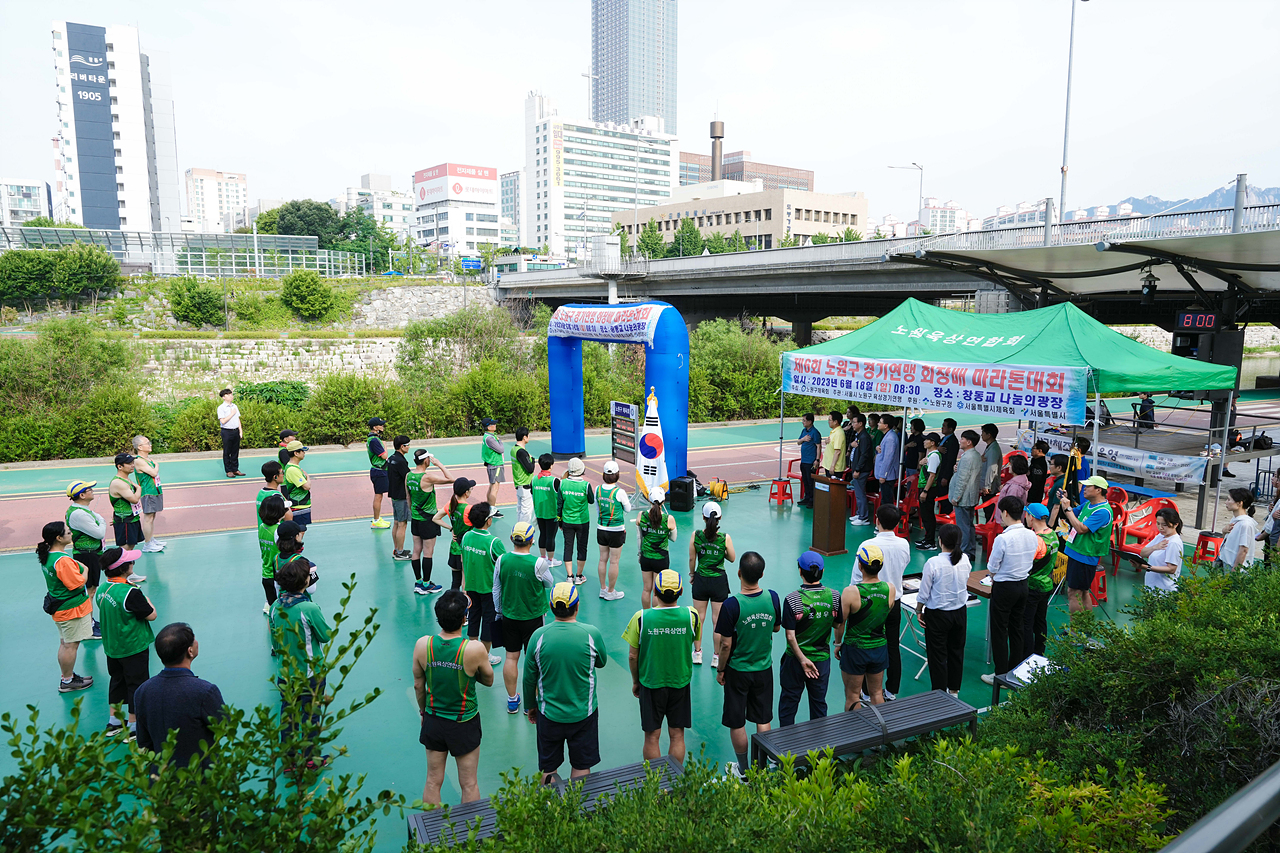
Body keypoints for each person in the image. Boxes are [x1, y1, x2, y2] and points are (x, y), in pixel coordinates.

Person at [413, 589, 495, 805]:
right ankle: (471, 828)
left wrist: (423, 712)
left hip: (434, 719)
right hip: (464, 722)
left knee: (432, 781)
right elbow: (489, 680)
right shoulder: (474, 649)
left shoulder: (423, 645)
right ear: (464, 618)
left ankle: (430, 828)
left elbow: (418, 685)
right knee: (469, 784)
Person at [524, 582, 608, 784]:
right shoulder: (591, 633)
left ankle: (550, 802)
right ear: (577, 606)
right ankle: (577, 803)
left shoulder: (538, 636)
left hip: (548, 715)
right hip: (583, 713)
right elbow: (601, 662)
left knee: (548, 768)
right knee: (581, 765)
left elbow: (529, 677)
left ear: (551, 607)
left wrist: (531, 706)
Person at [715, 551, 781, 780]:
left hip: (738, 671)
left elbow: (725, 644)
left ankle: (743, 770)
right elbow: (776, 627)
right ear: (761, 574)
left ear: (739, 573)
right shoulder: (772, 598)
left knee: (737, 721)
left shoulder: (731, 605)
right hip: (764, 668)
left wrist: (721, 670)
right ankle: (763, 766)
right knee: (763, 719)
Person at [623, 569, 700, 763]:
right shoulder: (691, 615)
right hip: (680, 682)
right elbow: (691, 641)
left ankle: (656, 780)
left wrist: (636, 681)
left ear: (655, 592)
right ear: (681, 591)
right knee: (677, 734)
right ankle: (675, 777)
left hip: (651, 683)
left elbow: (633, 656)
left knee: (651, 736)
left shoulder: (641, 617)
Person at [268, 557, 332, 772]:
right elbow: (325, 636)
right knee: (311, 715)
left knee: (288, 714)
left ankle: (289, 760)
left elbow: (275, 641)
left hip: (285, 674)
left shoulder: (275, 607)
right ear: (305, 582)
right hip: (310, 673)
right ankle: (310, 758)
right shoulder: (309, 608)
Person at [134, 623, 226, 770]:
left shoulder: (142, 691)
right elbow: (225, 727)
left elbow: (144, 741)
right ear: (190, 651)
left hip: (162, 775)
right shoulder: (205, 691)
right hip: (200, 775)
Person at [493, 521, 555, 714]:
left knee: (511, 657)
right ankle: (532, 703)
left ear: (512, 539)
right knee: (533, 660)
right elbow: (549, 583)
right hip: (533, 618)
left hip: (509, 616)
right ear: (532, 540)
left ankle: (512, 700)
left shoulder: (501, 560)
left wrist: (499, 611)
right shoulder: (538, 563)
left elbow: (496, 589)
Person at [96, 546, 157, 739]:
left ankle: (114, 722)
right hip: (133, 647)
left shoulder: (102, 589)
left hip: (112, 648)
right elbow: (152, 615)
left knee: (116, 681)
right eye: (131, 561)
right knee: (136, 685)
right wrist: (147, 599)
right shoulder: (130, 592)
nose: (133, 563)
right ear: (124, 568)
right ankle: (134, 725)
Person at [778, 551, 842, 727]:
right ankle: (819, 743)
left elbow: (790, 636)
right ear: (822, 571)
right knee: (818, 704)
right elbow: (837, 624)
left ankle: (785, 743)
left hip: (794, 661)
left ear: (800, 571)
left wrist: (802, 660)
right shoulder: (834, 596)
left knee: (788, 704)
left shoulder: (792, 599)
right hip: (820, 661)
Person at [836, 542, 895, 712]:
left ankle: (855, 729)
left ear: (860, 566)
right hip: (879, 648)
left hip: (855, 650)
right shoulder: (890, 589)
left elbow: (840, 623)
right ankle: (882, 728)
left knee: (853, 696)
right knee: (877, 693)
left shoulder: (850, 592)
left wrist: (838, 644)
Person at [981, 496, 1035, 683]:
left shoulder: (1003, 538)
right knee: (1017, 628)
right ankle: (1015, 672)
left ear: (1005, 513)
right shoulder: (1031, 535)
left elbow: (992, 567)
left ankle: (1001, 675)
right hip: (1023, 585)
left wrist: (994, 575)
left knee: (999, 631)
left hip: (1004, 587)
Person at [38, 521, 95, 693]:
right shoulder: (62, 561)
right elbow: (78, 584)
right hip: (71, 609)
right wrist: (85, 570)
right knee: (71, 645)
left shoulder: (49, 555)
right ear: (58, 537)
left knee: (65, 644)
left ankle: (67, 677)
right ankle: (68, 681)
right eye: (68, 532)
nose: (71, 534)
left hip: (60, 608)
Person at [916, 523, 970, 696]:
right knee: (956, 652)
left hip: (938, 616)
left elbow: (924, 593)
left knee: (937, 656)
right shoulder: (965, 559)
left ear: (940, 541)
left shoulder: (933, 563)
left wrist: (918, 610)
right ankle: (954, 691)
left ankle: (939, 695)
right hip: (959, 612)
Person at [866, 504, 909, 700]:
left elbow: (857, 578)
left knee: (868, 644)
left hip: (870, 604)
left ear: (877, 521)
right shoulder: (904, 544)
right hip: (894, 601)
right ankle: (891, 691)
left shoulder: (868, 545)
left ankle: (866, 692)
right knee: (892, 645)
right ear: (897, 524)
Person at [689, 501, 736, 666]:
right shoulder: (725, 538)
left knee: (698, 619)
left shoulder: (696, 535)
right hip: (719, 582)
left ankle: (697, 653)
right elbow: (732, 558)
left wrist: (692, 574)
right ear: (719, 518)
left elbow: (692, 559)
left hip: (701, 580)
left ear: (703, 517)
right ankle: (716, 656)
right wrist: (720, 551)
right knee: (717, 621)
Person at [1059, 475, 1114, 616]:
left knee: (1074, 592)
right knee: (1082, 592)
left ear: (1098, 490)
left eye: (1088, 486)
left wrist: (1068, 509)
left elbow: (1081, 529)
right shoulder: (1088, 504)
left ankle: (1076, 628)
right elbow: (1071, 514)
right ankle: (1084, 626)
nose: (1084, 489)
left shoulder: (1102, 511)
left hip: (1085, 556)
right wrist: (1064, 501)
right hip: (1076, 552)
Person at [460, 502, 506, 666]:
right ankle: (483, 656)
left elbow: (463, 560)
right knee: (489, 622)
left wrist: (464, 585)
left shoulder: (466, 536)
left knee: (473, 619)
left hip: (471, 587)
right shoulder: (494, 542)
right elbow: (505, 565)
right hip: (489, 590)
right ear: (488, 521)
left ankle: (473, 652)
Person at [406, 449, 454, 595]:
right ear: (426, 460)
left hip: (415, 518)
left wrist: (413, 513)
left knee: (416, 550)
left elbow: (408, 497)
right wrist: (439, 464)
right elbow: (451, 478)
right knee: (428, 552)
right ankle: (426, 585)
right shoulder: (427, 477)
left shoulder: (408, 475)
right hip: (428, 519)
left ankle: (418, 582)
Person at [66, 480, 108, 639]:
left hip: (90, 553)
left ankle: (89, 621)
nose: (92, 491)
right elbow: (99, 532)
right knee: (89, 592)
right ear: (82, 495)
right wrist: (102, 522)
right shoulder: (79, 514)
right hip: (87, 555)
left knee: (91, 590)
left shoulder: (83, 510)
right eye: (89, 489)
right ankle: (87, 627)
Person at [1022, 503, 1058, 661]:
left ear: (1031, 517)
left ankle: (1026, 657)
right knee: (1040, 621)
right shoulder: (1052, 534)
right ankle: (1039, 653)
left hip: (1033, 586)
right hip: (1047, 584)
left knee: (1026, 623)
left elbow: (1026, 563)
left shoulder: (1036, 540)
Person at [595, 460, 633, 600]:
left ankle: (602, 589)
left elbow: (598, 509)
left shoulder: (597, 489)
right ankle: (611, 592)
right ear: (617, 475)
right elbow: (628, 509)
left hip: (601, 528)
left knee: (602, 559)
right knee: (614, 561)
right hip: (616, 530)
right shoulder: (619, 492)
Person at [636, 486, 677, 609]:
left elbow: (639, 537)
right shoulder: (668, 519)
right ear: (663, 501)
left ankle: (646, 614)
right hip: (661, 559)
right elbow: (673, 538)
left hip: (646, 557)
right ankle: (655, 614)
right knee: (656, 590)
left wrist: (640, 554)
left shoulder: (641, 515)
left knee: (646, 589)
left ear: (649, 500)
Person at [434, 477, 477, 591]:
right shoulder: (469, 509)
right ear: (466, 493)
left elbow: (435, 518)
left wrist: (451, 528)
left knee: (455, 581)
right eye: (470, 489)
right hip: (466, 548)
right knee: (466, 582)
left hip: (454, 547)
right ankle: (466, 601)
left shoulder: (450, 504)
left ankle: (453, 600)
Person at [948, 431, 983, 562]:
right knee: (969, 525)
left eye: (962, 438)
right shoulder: (975, 455)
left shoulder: (967, 457)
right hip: (971, 496)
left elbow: (962, 479)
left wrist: (956, 497)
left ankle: (963, 552)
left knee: (963, 526)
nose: (960, 440)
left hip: (963, 498)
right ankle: (970, 550)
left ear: (969, 442)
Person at [558, 457, 594, 585]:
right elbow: (591, 500)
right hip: (582, 522)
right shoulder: (586, 485)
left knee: (568, 548)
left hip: (567, 521)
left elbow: (559, 504)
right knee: (582, 548)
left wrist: (559, 521)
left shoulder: (562, 484)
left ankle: (569, 576)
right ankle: (579, 576)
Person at [131, 435, 167, 553]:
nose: (150, 445)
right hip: (148, 492)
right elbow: (153, 473)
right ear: (140, 447)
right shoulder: (139, 461)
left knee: (152, 516)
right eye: (147, 443)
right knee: (148, 518)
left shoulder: (147, 460)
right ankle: (147, 544)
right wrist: (157, 466)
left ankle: (151, 539)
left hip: (155, 491)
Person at [1140, 508, 1184, 590]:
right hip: (1151, 586)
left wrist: (1146, 567)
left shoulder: (1174, 543)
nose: (1160, 528)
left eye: (1164, 525)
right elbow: (1143, 553)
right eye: (1158, 523)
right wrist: (1154, 547)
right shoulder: (1160, 536)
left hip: (1164, 590)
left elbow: (1171, 569)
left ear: (1175, 524)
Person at [258, 494, 289, 612]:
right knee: (281, 610)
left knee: (272, 607)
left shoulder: (262, 527)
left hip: (266, 574)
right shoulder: (278, 531)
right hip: (278, 576)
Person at [531, 453, 562, 566]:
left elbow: (532, 492)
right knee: (551, 537)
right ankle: (550, 560)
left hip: (539, 512)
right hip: (552, 513)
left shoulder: (534, 479)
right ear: (551, 465)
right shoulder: (554, 481)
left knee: (542, 534)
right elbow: (561, 496)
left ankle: (543, 557)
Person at [108, 453, 143, 551]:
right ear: (120, 467)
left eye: (133, 463)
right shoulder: (118, 483)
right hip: (125, 520)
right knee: (126, 548)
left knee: (131, 546)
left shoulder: (126, 479)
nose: (133, 465)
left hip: (132, 518)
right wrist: (139, 488)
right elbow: (134, 499)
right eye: (129, 464)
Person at [915, 432, 943, 551]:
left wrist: (925, 491)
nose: (924, 442)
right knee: (926, 514)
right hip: (925, 487)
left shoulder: (934, 456)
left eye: (926, 440)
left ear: (932, 443)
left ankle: (930, 542)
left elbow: (932, 476)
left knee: (928, 516)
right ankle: (927, 538)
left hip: (928, 489)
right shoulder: (931, 455)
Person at [1221, 488, 1259, 571]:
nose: (1226, 502)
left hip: (1235, 567)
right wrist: (1224, 532)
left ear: (1239, 503)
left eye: (1229, 500)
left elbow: (1244, 549)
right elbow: (1229, 541)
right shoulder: (1235, 520)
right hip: (1227, 562)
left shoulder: (1245, 524)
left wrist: (1235, 570)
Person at [387, 435, 412, 559]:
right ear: (402, 447)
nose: (409, 447)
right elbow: (408, 477)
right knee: (402, 524)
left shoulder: (391, 459)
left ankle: (397, 549)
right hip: (401, 496)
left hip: (394, 495)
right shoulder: (401, 461)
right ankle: (400, 552)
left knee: (397, 522)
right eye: (407, 445)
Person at [847, 414, 874, 526]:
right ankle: (859, 513)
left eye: (854, 422)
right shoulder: (859, 435)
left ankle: (863, 517)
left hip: (861, 470)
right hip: (857, 468)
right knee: (858, 492)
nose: (852, 424)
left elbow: (864, 455)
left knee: (860, 493)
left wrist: (858, 469)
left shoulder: (864, 437)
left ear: (861, 423)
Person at [281, 440, 313, 530]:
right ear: (296, 453)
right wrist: (308, 477)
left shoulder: (294, 467)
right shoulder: (293, 469)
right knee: (299, 531)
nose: (304, 453)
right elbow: (307, 486)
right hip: (299, 506)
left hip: (302, 505)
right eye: (302, 451)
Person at [366, 417, 391, 530]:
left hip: (379, 470)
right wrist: (385, 446)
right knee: (378, 496)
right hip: (379, 471)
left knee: (379, 495)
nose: (382, 426)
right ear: (375, 427)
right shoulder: (374, 440)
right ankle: (376, 520)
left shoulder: (374, 439)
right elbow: (384, 456)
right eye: (380, 425)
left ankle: (377, 519)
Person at [511, 427, 536, 525]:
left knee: (520, 511)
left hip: (518, 484)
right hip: (525, 485)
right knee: (526, 513)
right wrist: (532, 460)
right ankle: (524, 532)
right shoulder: (521, 452)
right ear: (524, 437)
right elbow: (530, 469)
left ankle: (519, 530)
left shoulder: (513, 449)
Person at [216, 388, 244, 478]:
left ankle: (235, 469)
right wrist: (231, 414)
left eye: (231, 394)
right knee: (227, 451)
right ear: (223, 397)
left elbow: (238, 419)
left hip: (235, 431)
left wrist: (240, 430)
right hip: (227, 431)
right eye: (228, 395)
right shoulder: (221, 408)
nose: (231, 396)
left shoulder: (235, 406)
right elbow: (223, 421)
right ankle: (228, 470)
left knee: (235, 451)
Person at [795, 413, 821, 507]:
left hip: (810, 461)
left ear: (810, 422)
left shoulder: (815, 432)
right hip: (804, 460)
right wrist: (803, 439)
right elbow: (798, 442)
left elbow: (818, 446)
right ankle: (807, 497)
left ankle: (812, 499)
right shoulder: (804, 431)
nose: (803, 422)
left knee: (811, 481)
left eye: (804, 420)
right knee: (805, 480)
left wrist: (817, 460)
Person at [874, 414, 900, 505]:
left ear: (885, 425)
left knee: (886, 500)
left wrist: (883, 475)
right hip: (886, 475)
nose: (878, 424)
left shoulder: (890, 438)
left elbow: (888, 458)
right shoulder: (888, 435)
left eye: (880, 422)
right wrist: (877, 448)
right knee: (885, 498)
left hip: (887, 475)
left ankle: (887, 514)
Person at [979, 424, 1003, 519]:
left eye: (983, 433)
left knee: (989, 511)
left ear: (989, 435)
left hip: (989, 487)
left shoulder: (993, 450)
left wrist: (987, 486)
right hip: (986, 484)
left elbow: (991, 469)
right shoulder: (990, 447)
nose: (981, 435)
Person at [480, 417, 505, 508]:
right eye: (493, 424)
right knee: (494, 488)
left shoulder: (489, 436)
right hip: (495, 464)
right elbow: (501, 449)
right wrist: (500, 441)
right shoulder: (490, 438)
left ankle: (489, 507)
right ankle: (492, 509)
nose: (495, 425)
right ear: (488, 427)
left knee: (492, 486)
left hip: (493, 464)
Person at [937, 418, 960, 512]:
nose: (942, 428)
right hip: (939, 471)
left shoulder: (952, 442)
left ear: (950, 429)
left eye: (944, 426)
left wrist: (946, 477)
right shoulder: (944, 439)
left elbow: (950, 461)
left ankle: (946, 514)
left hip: (944, 473)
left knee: (944, 497)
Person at [902, 418, 926, 494]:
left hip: (914, 466)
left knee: (913, 486)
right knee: (908, 484)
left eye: (912, 426)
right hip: (908, 464)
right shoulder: (912, 436)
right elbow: (904, 448)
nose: (910, 428)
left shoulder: (921, 439)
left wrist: (918, 467)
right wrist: (907, 445)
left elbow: (921, 454)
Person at [1046, 454, 1070, 529]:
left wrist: (1049, 526)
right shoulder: (1063, 480)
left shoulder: (1060, 483)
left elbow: (1056, 506)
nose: (1049, 466)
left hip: (1055, 522)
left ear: (1059, 468)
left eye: (1051, 464)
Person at [822, 411, 847, 481]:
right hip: (829, 465)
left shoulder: (839, 433)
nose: (828, 422)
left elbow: (837, 451)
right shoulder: (834, 431)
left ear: (835, 422)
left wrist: (832, 466)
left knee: (834, 486)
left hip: (835, 468)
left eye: (830, 420)